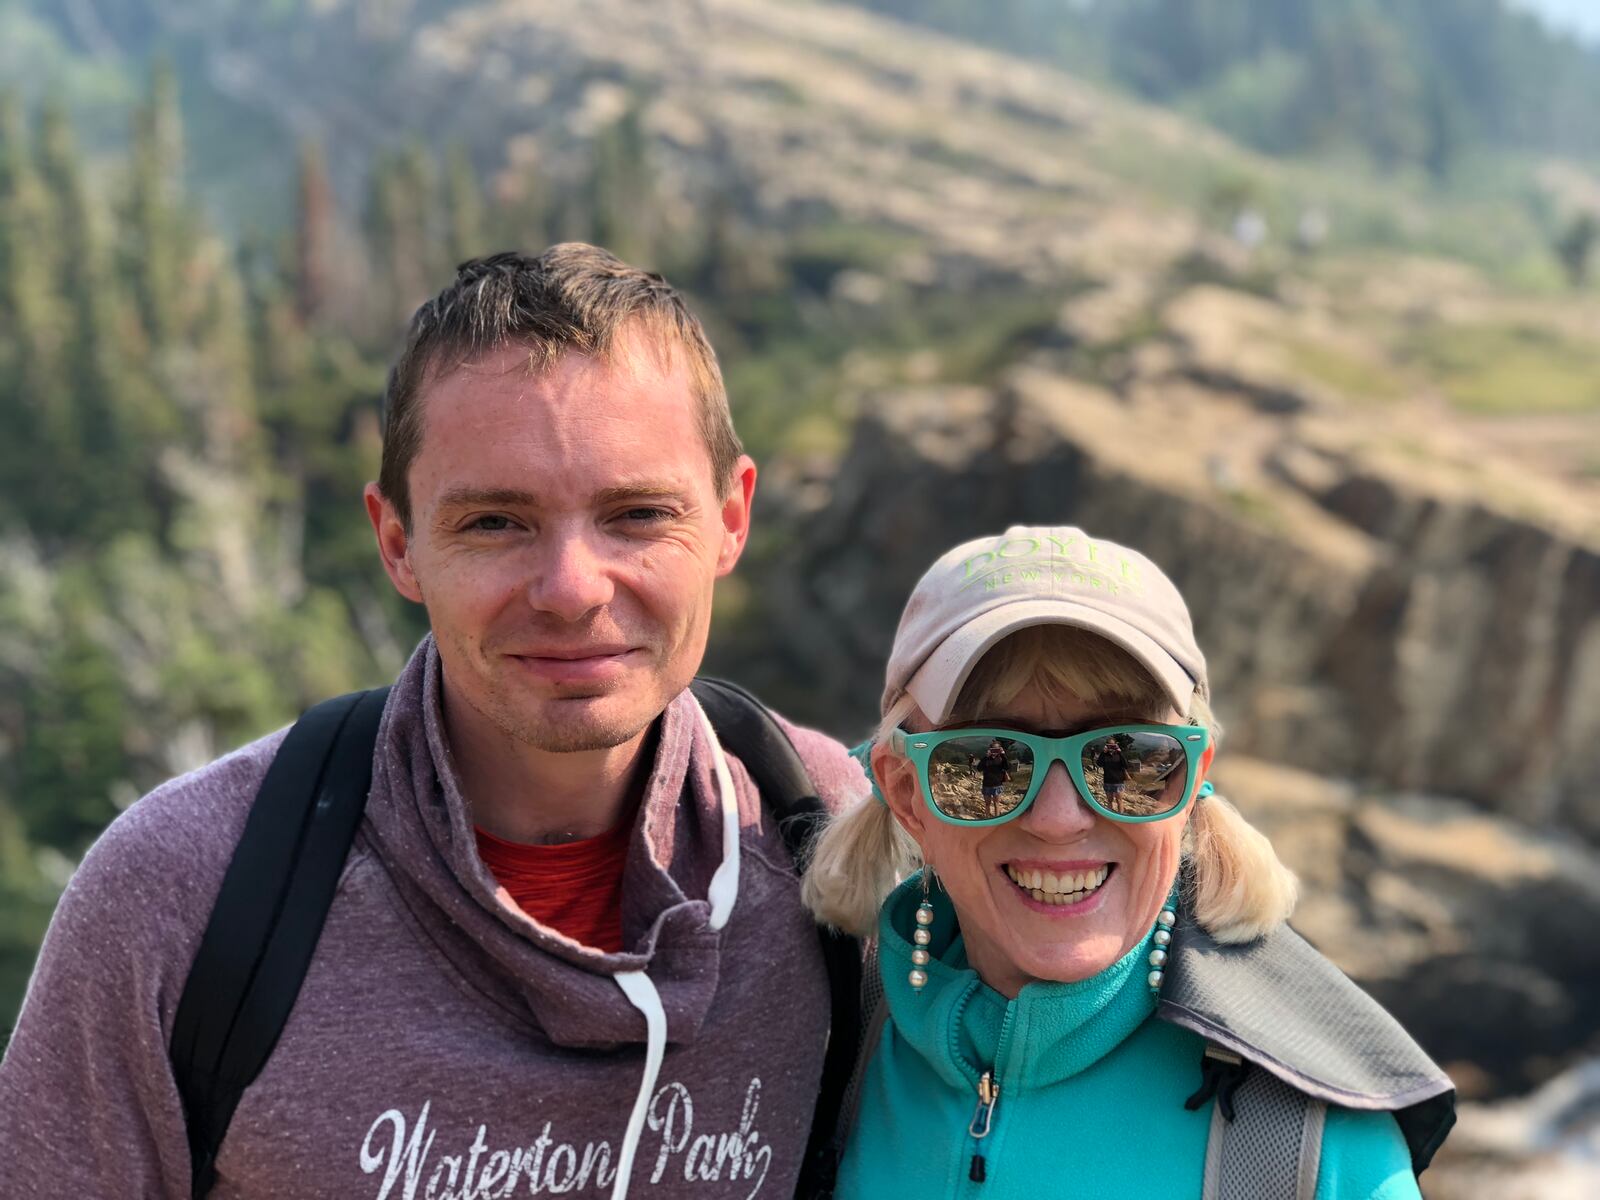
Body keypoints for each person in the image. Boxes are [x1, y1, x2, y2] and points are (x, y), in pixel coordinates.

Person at [0, 246, 863, 1198]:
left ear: (731, 519)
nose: (572, 590)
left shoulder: (827, 840)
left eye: (637, 514)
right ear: (398, 544)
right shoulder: (186, 889)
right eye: (495, 522)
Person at [803, 525, 1455, 1199]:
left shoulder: (1314, 1151)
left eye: (1127, 759)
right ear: (907, 791)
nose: (1059, 819)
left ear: (1193, 778)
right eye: (988, 765)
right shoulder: (824, 1045)